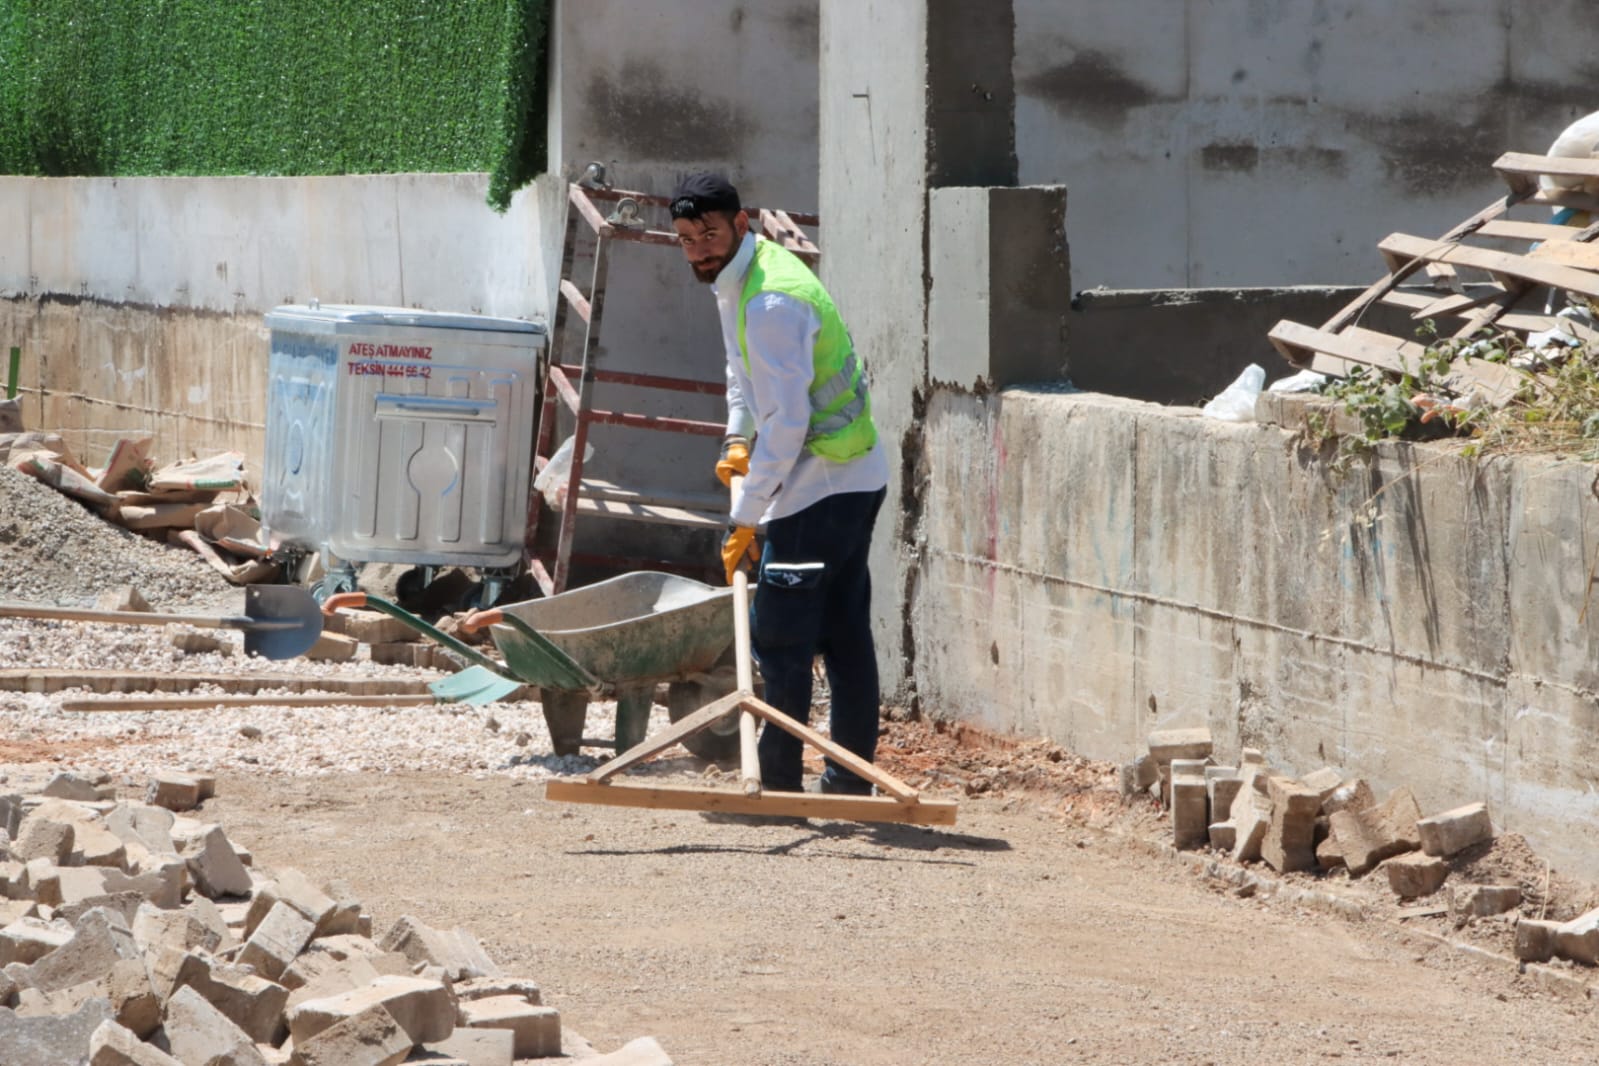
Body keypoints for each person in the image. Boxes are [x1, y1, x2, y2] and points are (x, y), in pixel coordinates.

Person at [669, 172, 890, 796]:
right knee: (844, 630)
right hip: (846, 474)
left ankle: (783, 782)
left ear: (742, 223)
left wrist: (745, 517)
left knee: (782, 633)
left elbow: (790, 426)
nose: (698, 249)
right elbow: (742, 376)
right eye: (686, 239)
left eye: (709, 234)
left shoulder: (769, 302)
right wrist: (737, 438)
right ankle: (850, 780)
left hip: (822, 480)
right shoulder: (743, 276)